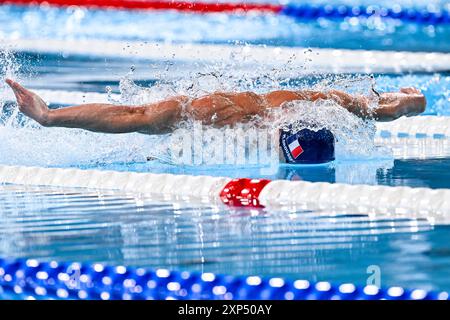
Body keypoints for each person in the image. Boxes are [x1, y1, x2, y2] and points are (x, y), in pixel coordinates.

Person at [5, 79, 426, 164]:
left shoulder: (322, 102)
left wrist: (412, 102)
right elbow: (132, 116)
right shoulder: (214, 113)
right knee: (148, 123)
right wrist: (47, 116)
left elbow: (387, 107)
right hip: (188, 112)